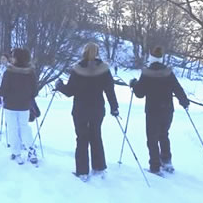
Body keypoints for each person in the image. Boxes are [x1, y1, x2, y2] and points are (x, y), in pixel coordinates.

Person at [55, 42, 119, 181]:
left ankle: (82, 171)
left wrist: (60, 86)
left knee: (82, 138)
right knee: (96, 136)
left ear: (84, 52)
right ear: (97, 52)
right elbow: (110, 90)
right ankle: (99, 167)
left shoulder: (77, 69)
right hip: (97, 109)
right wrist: (114, 107)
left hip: (80, 109)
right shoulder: (104, 69)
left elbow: (70, 91)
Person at [129, 46, 189, 175]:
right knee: (164, 135)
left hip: (152, 110)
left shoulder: (147, 73)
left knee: (152, 138)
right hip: (167, 110)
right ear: (161, 58)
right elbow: (177, 88)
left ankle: (155, 166)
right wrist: (184, 101)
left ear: (150, 57)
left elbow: (140, 93)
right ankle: (167, 161)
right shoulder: (168, 72)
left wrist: (134, 84)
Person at [0, 48, 39, 164]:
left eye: (13, 56)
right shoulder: (30, 73)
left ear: (18, 58)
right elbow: (35, 92)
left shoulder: (9, 72)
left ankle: (16, 152)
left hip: (10, 106)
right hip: (24, 106)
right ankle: (31, 150)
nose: (12, 58)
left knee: (13, 129)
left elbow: (3, 91)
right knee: (24, 127)